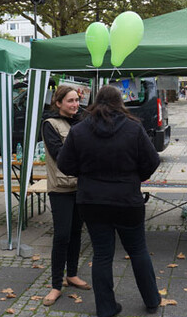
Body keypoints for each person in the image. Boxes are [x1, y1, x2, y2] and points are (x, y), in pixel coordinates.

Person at [58, 85, 161, 317]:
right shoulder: (133, 128)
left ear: (96, 102)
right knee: (138, 250)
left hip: (92, 202)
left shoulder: (79, 130)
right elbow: (152, 161)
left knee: (102, 254)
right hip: (127, 201)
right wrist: (136, 177)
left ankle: (105, 308)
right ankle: (152, 299)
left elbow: (64, 164)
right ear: (119, 103)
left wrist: (84, 173)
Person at [40, 85, 91, 306]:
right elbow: (59, 154)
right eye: (70, 101)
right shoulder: (50, 124)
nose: (75, 104)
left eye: (76, 100)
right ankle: (55, 285)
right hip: (60, 187)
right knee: (61, 235)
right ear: (58, 103)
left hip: (80, 186)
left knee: (76, 232)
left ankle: (72, 274)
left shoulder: (82, 122)